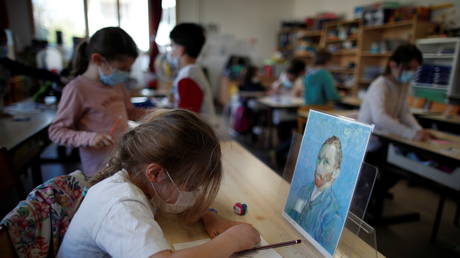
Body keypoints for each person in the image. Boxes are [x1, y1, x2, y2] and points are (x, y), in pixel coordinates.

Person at [58, 109, 260, 258]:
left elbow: (181, 201)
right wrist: (231, 241)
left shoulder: (141, 180)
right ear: (155, 173)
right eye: (190, 185)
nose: (192, 192)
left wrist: (208, 217)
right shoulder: (121, 206)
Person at [48, 27, 149, 176]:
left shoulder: (117, 84)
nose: (125, 74)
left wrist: (157, 114)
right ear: (97, 59)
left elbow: (130, 112)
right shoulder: (77, 89)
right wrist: (90, 138)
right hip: (99, 171)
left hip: (124, 164)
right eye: (122, 68)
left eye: (128, 69)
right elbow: (56, 131)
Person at [358, 44, 431, 145]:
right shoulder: (380, 85)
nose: (411, 73)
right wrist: (411, 134)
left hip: (384, 136)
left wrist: (418, 129)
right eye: (408, 68)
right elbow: (379, 118)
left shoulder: (403, 85)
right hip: (368, 141)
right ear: (393, 64)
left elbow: (404, 112)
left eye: (414, 69)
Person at [285, 136, 342, 253]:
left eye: (326, 162)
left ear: (335, 172)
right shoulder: (304, 191)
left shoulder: (333, 215)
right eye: (319, 159)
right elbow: (293, 215)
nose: (318, 167)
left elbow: (323, 251)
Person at [169, 23, 216, 125]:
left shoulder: (188, 77)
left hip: (199, 136)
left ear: (181, 49)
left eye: (172, 45)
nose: (171, 51)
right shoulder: (191, 71)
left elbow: (186, 121)